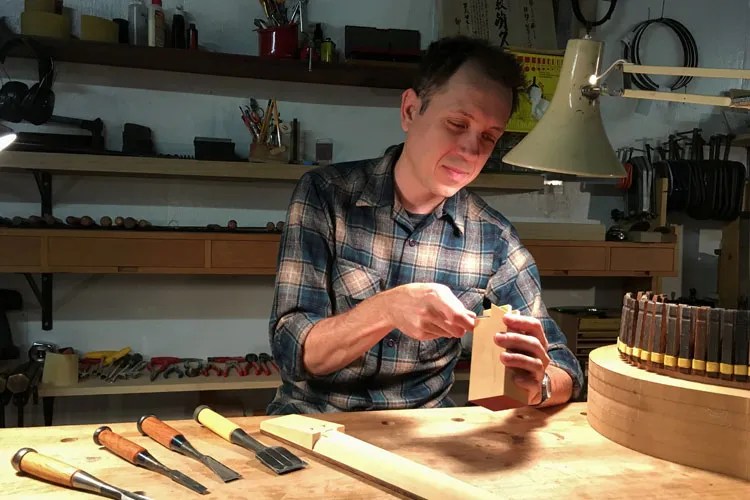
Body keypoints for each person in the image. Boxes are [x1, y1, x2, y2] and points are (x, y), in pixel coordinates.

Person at [266, 35, 584, 415]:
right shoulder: (326, 196)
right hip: (316, 423)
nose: (470, 151)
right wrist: (386, 310)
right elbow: (292, 349)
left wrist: (539, 384)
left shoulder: (492, 238)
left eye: (488, 137)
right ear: (410, 110)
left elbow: (564, 365)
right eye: (456, 124)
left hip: (424, 434)